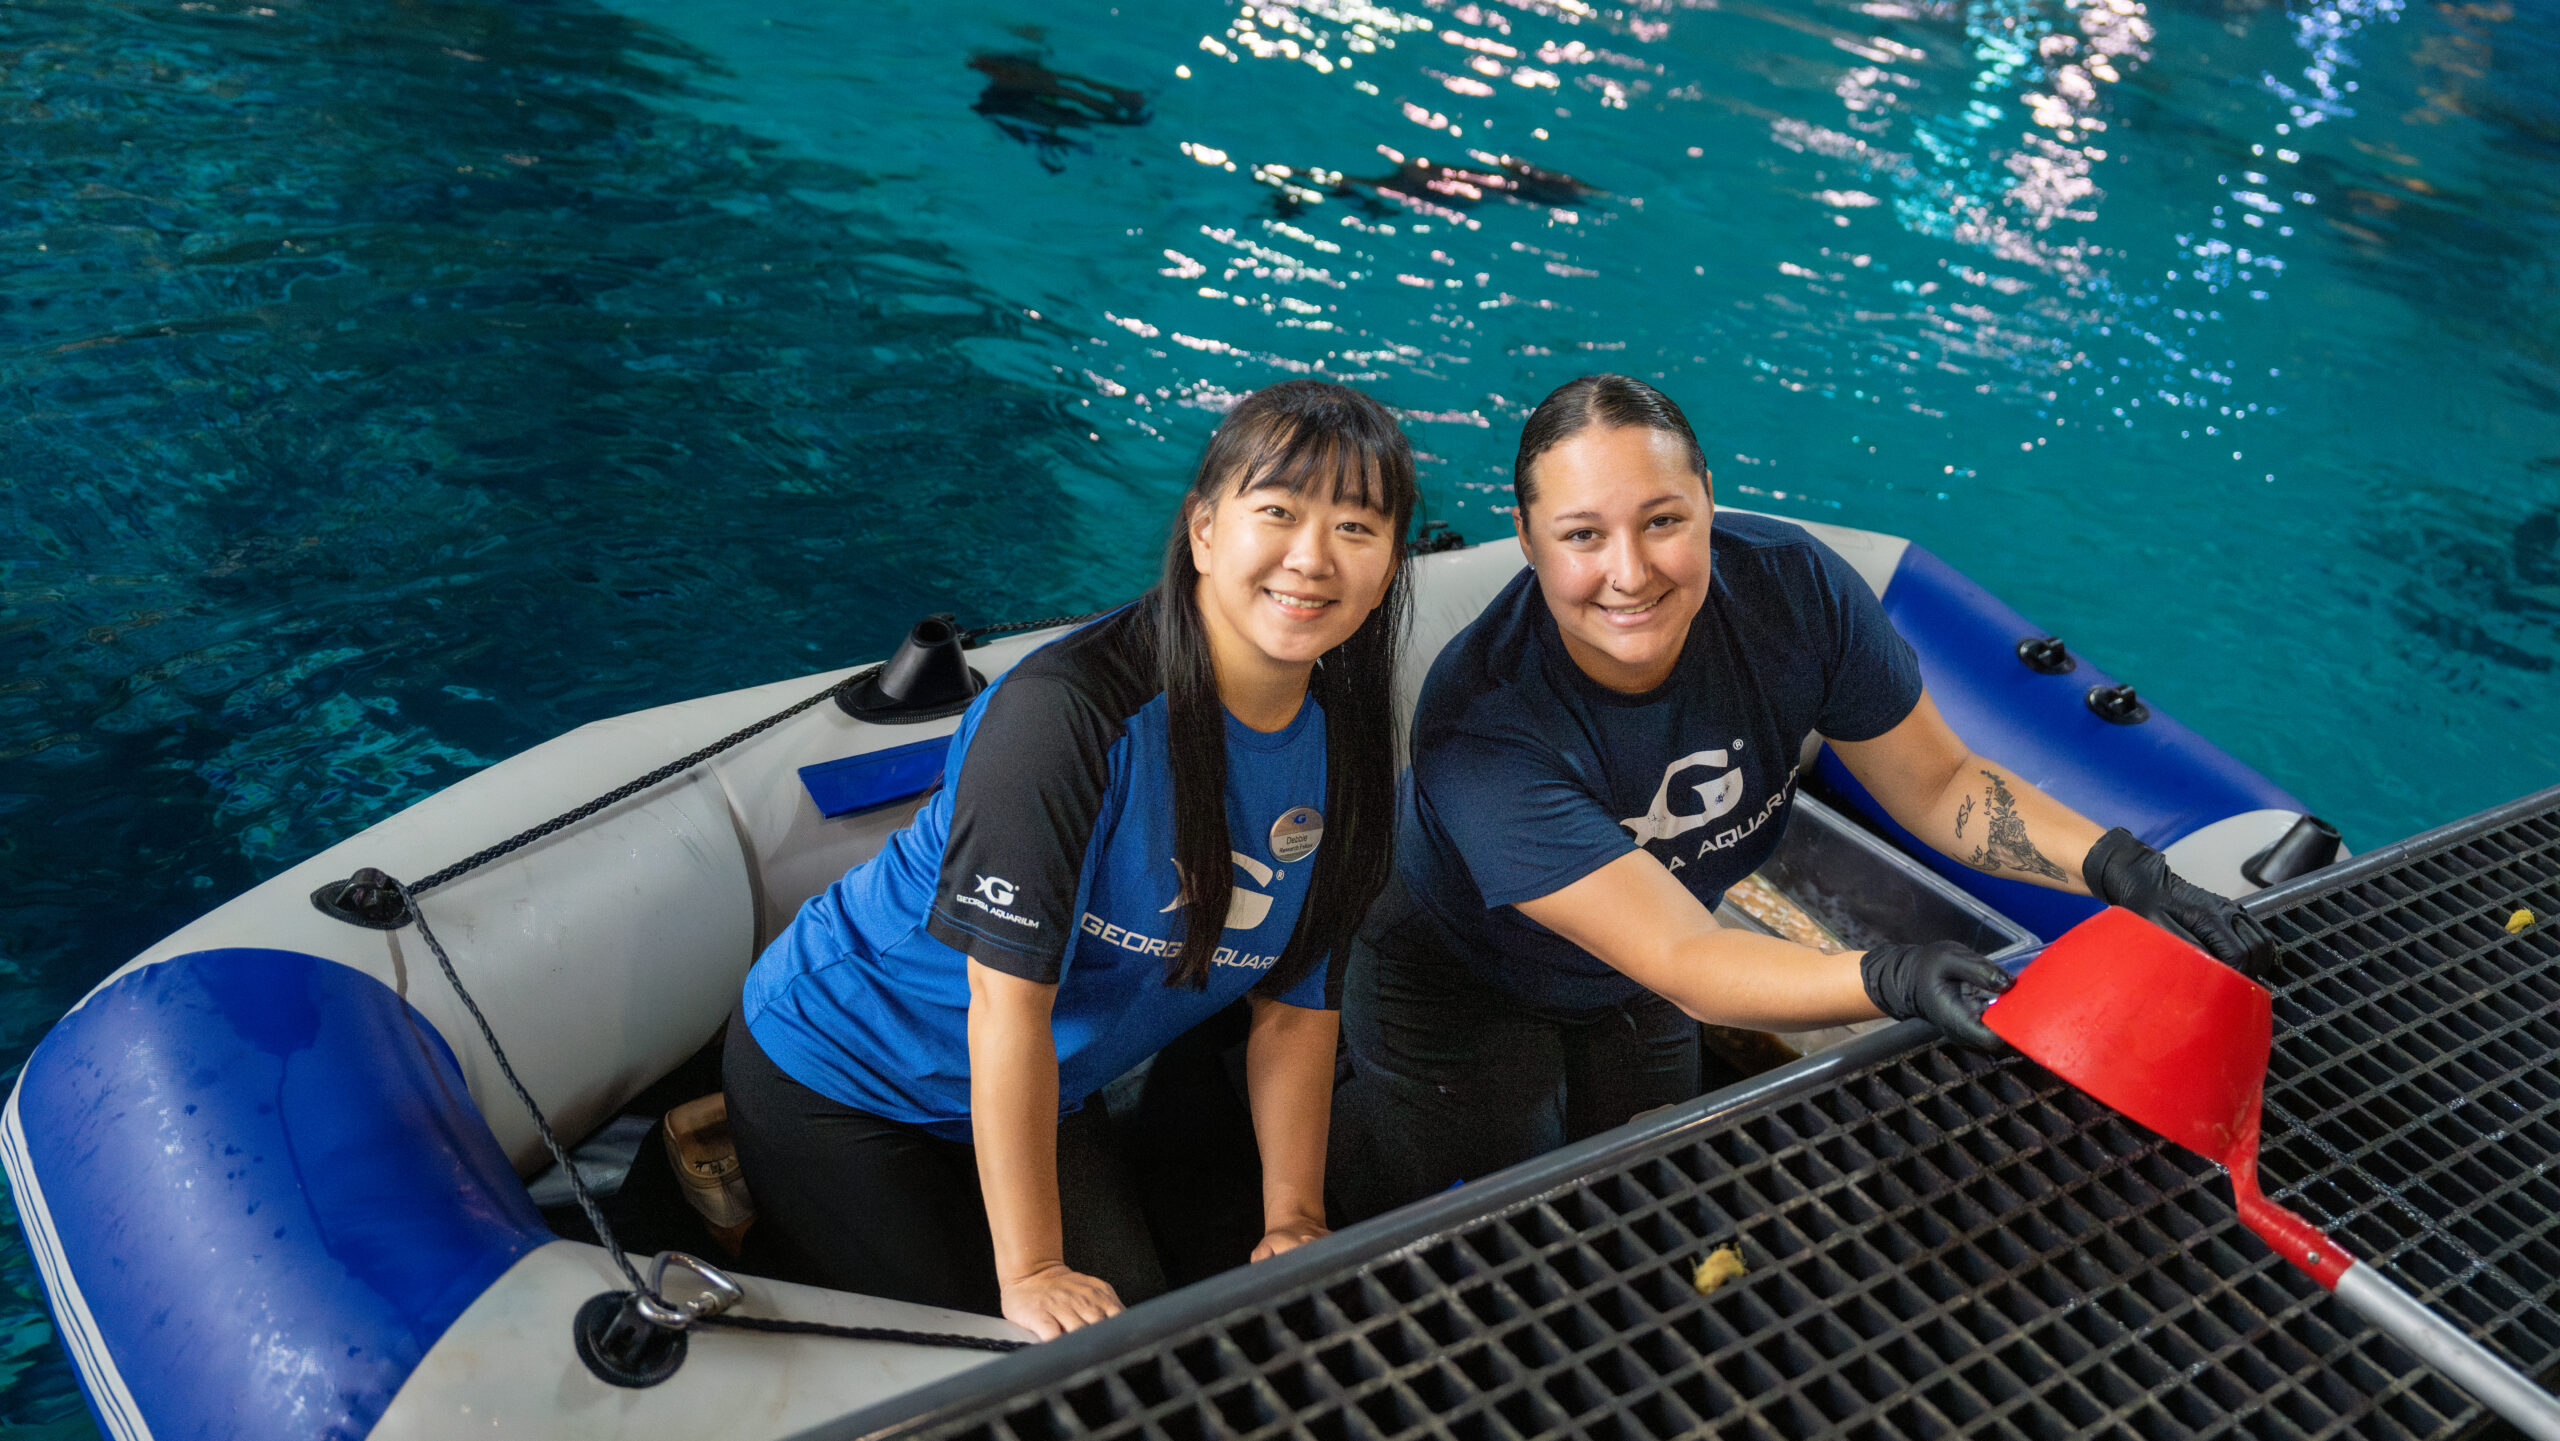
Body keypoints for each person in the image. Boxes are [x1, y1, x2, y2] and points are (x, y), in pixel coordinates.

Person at [1335, 374, 2274, 1217]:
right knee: (1494, 1226)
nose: (1630, 572)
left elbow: (1942, 781)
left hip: (1632, 982)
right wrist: (1889, 975)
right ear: (1528, 537)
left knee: (1645, 1196)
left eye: (1663, 519)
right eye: (1583, 535)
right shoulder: (1483, 720)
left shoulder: (1794, 591)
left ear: (1709, 498)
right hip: (1462, 986)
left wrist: (2120, 867)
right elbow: (1686, 954)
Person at [726, 380, 1416, 1338]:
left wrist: (1292, 1217)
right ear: (1204, 530)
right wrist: (1036, 1269)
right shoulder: (1070, 716)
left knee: (1139, 1331)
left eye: (1354, 526)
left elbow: (1296, 1005)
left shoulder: (1349, 746)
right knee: (1023, 1368)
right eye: (1279, 512)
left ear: (1388, 564)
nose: (1311, 556)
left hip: (1048, 1084)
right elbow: (1006, 1002)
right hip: (847, 1072)